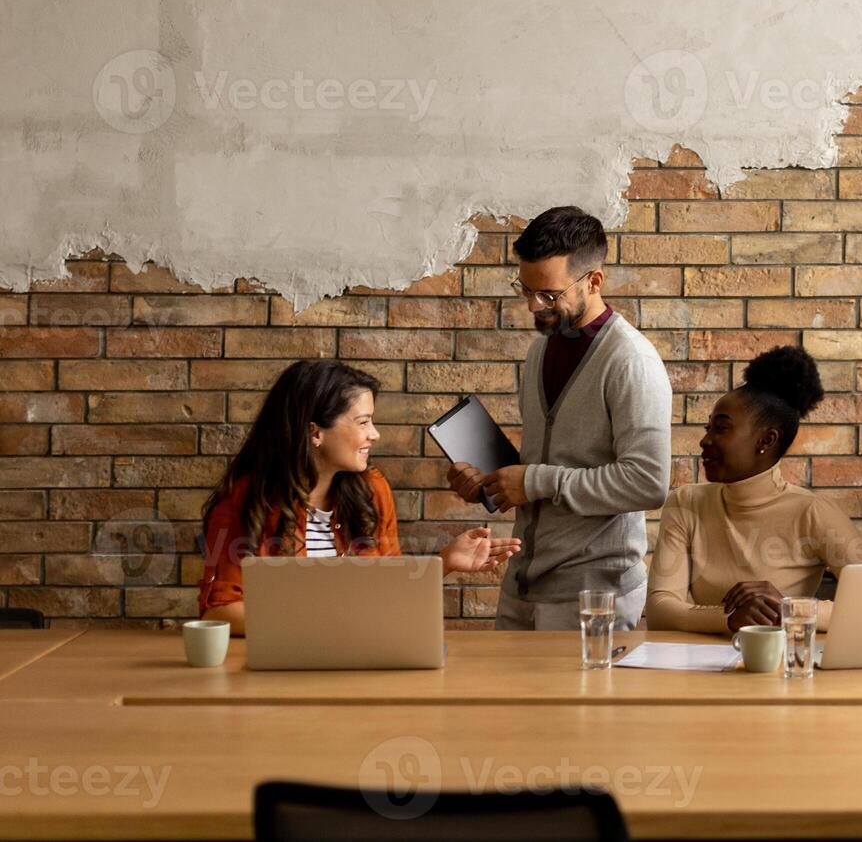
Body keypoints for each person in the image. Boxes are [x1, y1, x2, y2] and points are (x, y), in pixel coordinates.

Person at [447, 206, 672, 630]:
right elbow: (550, 462)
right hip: (523, 583)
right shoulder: (540, 350)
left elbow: (648, 481)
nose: (535, 306)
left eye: (549, 295)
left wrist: (533, 481)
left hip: (594, 596)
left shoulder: (631, 361)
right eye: (526, 290)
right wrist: (492, 485)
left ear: (594, 281)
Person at [197, 360, 520, 635]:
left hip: (361, 663)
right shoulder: (247, 499)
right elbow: (219, 613)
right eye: (363, 422)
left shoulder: (372, 490)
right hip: (282, 670)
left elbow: (386, 593)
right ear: (315, 433)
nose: (374, 434)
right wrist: (327, 623)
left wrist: (445, 562)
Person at [648, 345, 862, 633]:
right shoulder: (686, 503)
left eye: (721, 429)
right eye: (708, 428)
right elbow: (659, 609)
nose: (705, 441)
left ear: (766, 441)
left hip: (783, 670)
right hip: (704, 669)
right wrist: (730, 619)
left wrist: (789, 610)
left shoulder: (812, 512)